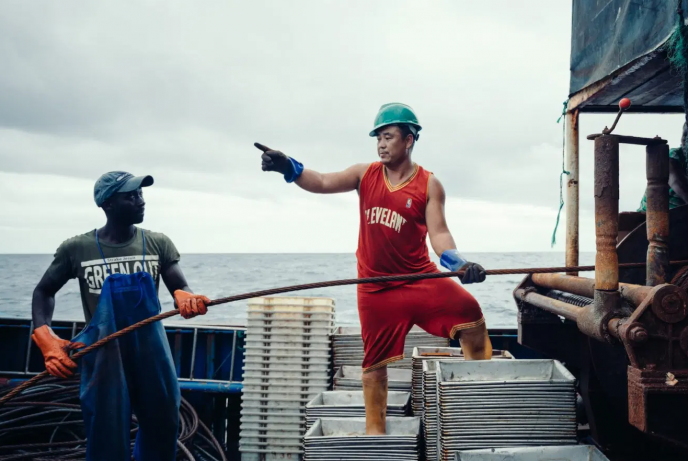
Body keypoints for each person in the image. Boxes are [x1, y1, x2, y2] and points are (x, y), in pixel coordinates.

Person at [255, 102, 493, 435]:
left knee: (472, 315)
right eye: (378, 138)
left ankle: (477, 399)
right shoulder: (363, 174)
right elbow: (322, 181)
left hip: (419, 279)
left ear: (408, 140)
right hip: (376, 289)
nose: (381, 144)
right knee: (374, 365)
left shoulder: (428, 184)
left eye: (388, 136)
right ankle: (375, 434)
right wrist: (289, 168)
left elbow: (439, 234)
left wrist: (459, 264)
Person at [30, 171, 210, 461]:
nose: (141, 201)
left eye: (141, 194)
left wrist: (185, 295)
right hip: (104, 354)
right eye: (131, 196)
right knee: (106, 428)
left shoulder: (158, 243)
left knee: (164, 421)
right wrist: (44, 335)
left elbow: (179, 285)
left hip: (152, 351)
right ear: (108, 204)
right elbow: (44, 292)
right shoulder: (76, 248)